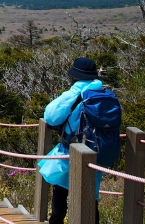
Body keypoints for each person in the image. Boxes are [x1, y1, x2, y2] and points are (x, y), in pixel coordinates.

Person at [38, 57, 104, 224]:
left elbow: (51, 117)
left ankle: (56, 221)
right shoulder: (103, 94)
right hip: (97, 151)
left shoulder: (74, 94)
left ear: (75, 76)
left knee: (60, 189)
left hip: (72, 150)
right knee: (90, 196)